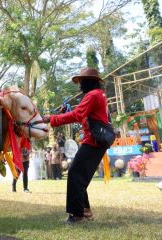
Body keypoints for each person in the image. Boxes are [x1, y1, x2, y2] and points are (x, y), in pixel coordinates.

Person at [40, 67, 109, 224]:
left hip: (93, 142)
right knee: (79, 176)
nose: (79, 86)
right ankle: (85, 211)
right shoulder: (98, 94)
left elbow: (77, 115)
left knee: (74, 174)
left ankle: (77, 215)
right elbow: (81, 115)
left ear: (90, 82)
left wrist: (51, 119)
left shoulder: (92, 95)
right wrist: (60, 114)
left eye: (82, 82)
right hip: (95, 141)